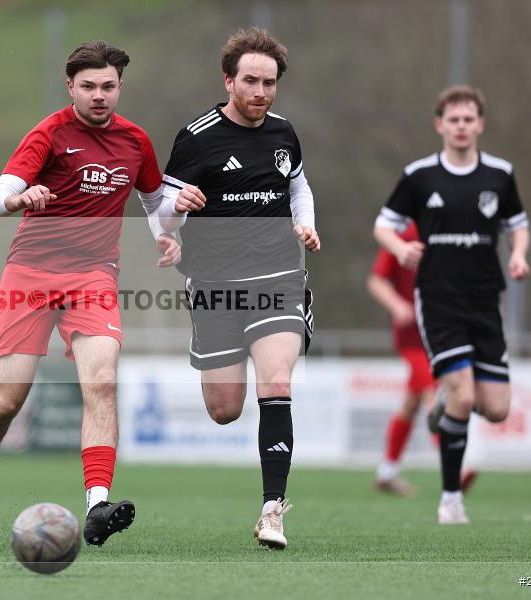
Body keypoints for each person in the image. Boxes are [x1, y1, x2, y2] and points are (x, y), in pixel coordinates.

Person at [0, 40, 177, 548]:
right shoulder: (50, 133)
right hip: (30, 275)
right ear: (70, 87)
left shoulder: (136, 141)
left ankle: (97, 506)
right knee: (7, 401)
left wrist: (167, 232)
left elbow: (154, 202)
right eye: (89, 86)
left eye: (108, 86)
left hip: (94, 276)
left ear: (119, 87)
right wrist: (19, 198)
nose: (99, 95)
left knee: (102, 383)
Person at [155, 28, 319, 550]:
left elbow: (298, 185)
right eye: (251, 81)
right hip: (215, 287)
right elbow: (159, 209)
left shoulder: (284, 132)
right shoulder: (196, 138)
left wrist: (304, 224)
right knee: (224, 409)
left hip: (278, 279)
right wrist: (172, 220)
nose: (261, 92)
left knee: (276, 381)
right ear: (229, 80)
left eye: (269, 83)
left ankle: (273, 511)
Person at [373, 85, 530, 524]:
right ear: (440, 125)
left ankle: (448, 401)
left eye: (468, 119)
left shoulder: (500, 174)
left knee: (496, 408)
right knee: (463, 391)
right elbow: (383, 226)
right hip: (438, 297)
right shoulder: (419, 175)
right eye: (453, 120)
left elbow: (517, 224)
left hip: (485, 299)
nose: (461, 126)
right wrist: (400, 249)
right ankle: (450, 499)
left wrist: (518, 254)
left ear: (480, 125)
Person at [368, 223, 437, 497]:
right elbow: (377, 280)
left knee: (411, 403)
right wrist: (397, 305)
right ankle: (455, 466)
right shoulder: (404, 234)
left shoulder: (450, 230)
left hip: (442, 336)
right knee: (433, 391)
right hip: (412, 338)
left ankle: (387, 473)